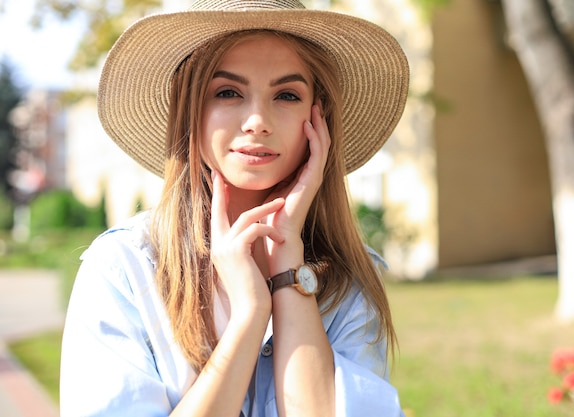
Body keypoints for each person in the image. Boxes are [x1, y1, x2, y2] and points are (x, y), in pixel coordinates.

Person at [59, 0, 410, 416]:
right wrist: (250, 315)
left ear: (318, 122)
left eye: (286, 95)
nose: (257, 120)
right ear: (191, 112)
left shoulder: (350, 281)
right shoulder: (123, 270)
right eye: (228, 92)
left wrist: (287, 273)